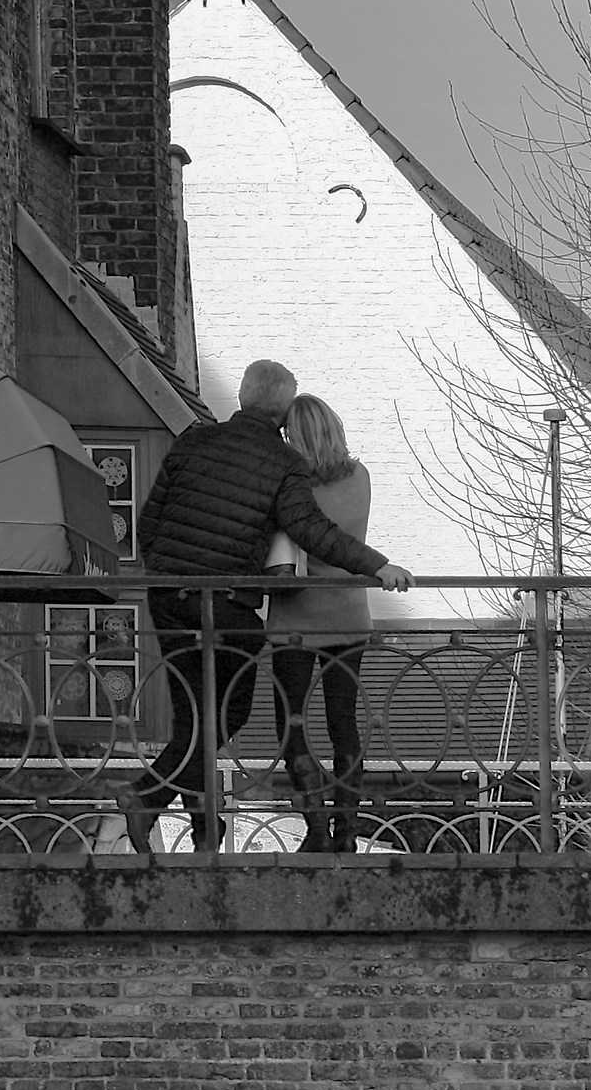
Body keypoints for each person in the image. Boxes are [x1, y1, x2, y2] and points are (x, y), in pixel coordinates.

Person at [115, 360, 413, 853]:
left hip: (172, 598)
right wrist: (378, 566)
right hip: (234, 604)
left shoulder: (192, 440)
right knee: (233, 712)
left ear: (241, 395)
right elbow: (315, 532)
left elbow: (148, 525)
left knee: (196, 716)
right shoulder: (285, 465)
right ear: (280, 417)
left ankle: (200, 827)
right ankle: (159, 803)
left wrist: (167, 571)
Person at [266, 395, 373, 854]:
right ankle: (347, 831)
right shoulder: (360, 477)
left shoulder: (289, 485)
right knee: (342, 723)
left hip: (296, 615)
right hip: (349, 612)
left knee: (290, 723)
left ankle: (315, 828)